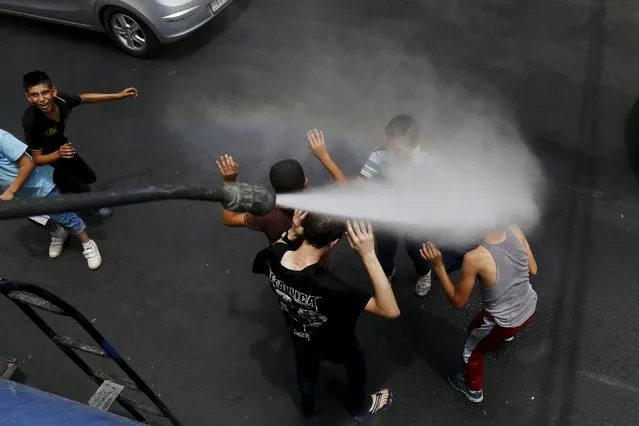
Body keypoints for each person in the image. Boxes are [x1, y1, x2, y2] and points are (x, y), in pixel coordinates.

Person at [252, 212, 398, 422]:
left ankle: (309, 409)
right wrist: (369, 255)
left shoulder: (272, 256)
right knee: (357, 366)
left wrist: (291, 233)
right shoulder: (331, 286)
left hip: (299, 335)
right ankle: (360, 408)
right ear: (334, 242)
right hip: (337, 342)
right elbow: (390, 310)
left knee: (305, 369)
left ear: (304, 228)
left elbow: (274, 249)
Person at [420, 225, 538, 403]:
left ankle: (473, 389)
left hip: (503, 322)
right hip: (529, 306)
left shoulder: (474, 258)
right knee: (506, 323)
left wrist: (438, 265)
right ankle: (507, 336)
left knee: (471, 349)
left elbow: (458, 302)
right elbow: (533, 269)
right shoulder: (515, 229)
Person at [21, 70, 138, 219]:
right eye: (35, 95)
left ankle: (73, 199)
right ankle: (91, 207)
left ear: (53, 91)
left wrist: (117, 95)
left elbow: (84, 98)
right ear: (28, 97)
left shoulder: (61, 100)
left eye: (45, 93)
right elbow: (37, 159)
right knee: (78, 186)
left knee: (88, 177)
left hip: (64, 149)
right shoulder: (31, 122)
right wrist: (58, 154)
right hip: (51, 162)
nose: (42, 99)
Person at [216, 128, 345, 244]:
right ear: (305, 182)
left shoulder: (267, 214)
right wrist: (324, 156)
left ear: (274, 190)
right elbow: (345, 191)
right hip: (318, 267)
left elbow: (229, 219)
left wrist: (229, 181)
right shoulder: (318, 207)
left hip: (282, 265)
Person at [0, 129, 102, 270]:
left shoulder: (2, 138)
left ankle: (88, 243)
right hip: (20, 194)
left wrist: (11, 190)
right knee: (37, 218)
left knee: (64, 216)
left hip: (39, 187)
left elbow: (27, 163)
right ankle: (59, 233)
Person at [359, 114, 434, 296]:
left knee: (416, 249)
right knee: (384, 249)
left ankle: (425, 273)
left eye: (395, 146)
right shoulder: (379, 153)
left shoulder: (424, 160)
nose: (390, 149)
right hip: (385, 215)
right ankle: (387, 273)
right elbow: (362, 180)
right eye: (388, 143)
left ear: (411, 144)